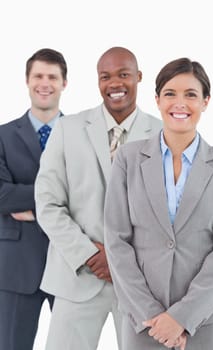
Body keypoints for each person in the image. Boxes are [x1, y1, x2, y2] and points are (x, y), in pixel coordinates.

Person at [34, 46, 162, 350]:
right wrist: (89, 254)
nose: (114, 84)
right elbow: (48, 203)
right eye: (106, 77)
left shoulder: (162, 134)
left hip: (141, 283)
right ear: (98, 82)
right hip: (77, 275)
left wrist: (120, 258)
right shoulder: (68, 129)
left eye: (123, 75)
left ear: (139, 77)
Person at [104, 57, 213, 350]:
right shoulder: (128, 159)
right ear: (157, 100)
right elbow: (116, 240)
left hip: (207, 322)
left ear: (205, 102)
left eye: (191, 95)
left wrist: (183, 316)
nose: (180, 103)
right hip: (145, 324)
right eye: (170, 94)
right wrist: (152, 315)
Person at [0, 48, 68, 350]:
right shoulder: (2, 136)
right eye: (38, 76)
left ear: (64, 83)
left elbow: (89, 196)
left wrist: (35, 209)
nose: (45, 83)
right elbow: (2, 195)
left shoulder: (80, 135)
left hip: (69, 264)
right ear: (27, 81)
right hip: (16, 267)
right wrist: (58, 201)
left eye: (52, 77)